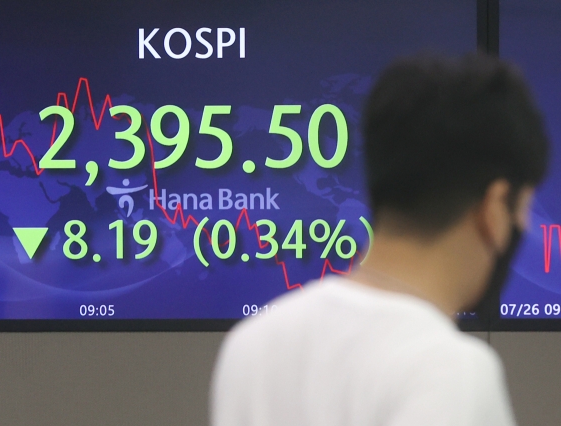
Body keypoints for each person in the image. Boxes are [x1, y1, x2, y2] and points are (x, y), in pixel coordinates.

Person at [210, 54, 549, 426]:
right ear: (495, 208)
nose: (524, 226)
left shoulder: (252, 346)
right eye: (523, 209)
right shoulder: (451, 369)